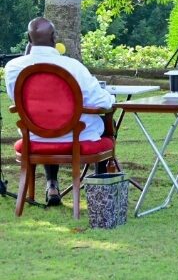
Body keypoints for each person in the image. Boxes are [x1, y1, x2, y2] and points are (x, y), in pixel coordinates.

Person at [4, 17, 116, 206]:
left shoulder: (13, 68)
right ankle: (99, 189)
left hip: (35, 137)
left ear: (28, 39)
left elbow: (17, 99)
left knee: (49, 122)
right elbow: (102, 102)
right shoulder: (73, 67)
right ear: (54, 37)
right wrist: (110, 99)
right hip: (77, 137)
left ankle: (52, 184)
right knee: (106, 124)